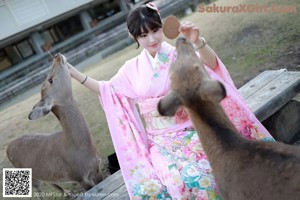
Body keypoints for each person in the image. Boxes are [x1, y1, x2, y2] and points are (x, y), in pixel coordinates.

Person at [69, 2, 274, 199]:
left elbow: (210, 65)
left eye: (155, 30)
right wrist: (76, 74)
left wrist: (197, 42)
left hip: (193, 127)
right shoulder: (131, 68)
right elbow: (108, 90)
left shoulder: (178, 53)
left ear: (161, 26)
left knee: (210, 170)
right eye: (143, 35)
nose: (152, 39)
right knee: (176, 181)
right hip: (160, 140)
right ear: (134, 37)